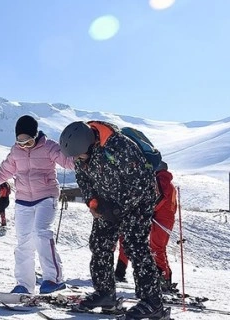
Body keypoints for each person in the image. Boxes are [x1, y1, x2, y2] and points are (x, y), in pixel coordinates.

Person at [59, 121, 166, 319]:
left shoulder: (119, 146)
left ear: (89, 145)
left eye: (79, 155)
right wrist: (92, 203)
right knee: (99, 245)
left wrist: (119, 208)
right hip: (106, 204)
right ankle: (105, 293)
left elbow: (141, 182)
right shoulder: (80, 155)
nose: (76, 160)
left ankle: (153, 302)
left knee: (135, 246)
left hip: (137, 202)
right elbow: (84, 180)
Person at [0, 115, 74, 294]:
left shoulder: (49, 147)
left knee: (41, 234)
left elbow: (68, 162)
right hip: (23, 200)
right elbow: (4, 172)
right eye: (20, 142)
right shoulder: (15, 152)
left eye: (28, 142)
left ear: (36, 136)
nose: (24, 146)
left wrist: (84, 156)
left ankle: (53, 279)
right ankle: (24, 285)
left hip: (46, 197)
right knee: (23, 241)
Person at [115, 161, 178, 293]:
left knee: (156, 248)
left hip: (161, 219)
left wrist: (149, 210)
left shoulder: (161, 178)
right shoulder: (168, 181)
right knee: (158, 248)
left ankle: (163, 278)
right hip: (166, 218)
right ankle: (165, 276)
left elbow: (160, 197)